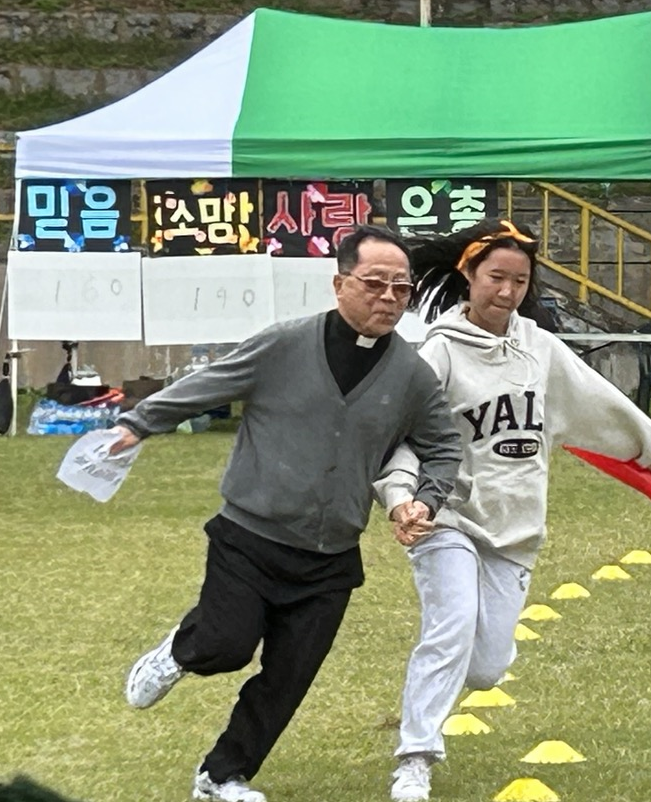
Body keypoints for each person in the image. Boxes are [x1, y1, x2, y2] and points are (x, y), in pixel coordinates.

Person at [109, 225, 463, 802]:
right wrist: (137, 423)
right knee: (225, 645)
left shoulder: (412, 375)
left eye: (401, 288)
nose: (389, 298)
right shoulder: (284, 344)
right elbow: (209, 383)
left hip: (331, 556)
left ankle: (220, 776)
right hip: (250, 535)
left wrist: (427, 496)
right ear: (340, 284)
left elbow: (443, 444)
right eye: (374, 283)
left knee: (288, 679)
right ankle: (179, 650)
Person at [373, 219, 651, 802]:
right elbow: (403, 435)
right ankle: (415, 758)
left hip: (515, 528)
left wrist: (650, 449)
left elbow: (596, 401)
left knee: (486, 669)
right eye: (496, 277)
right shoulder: (438, 352)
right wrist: (401, 496)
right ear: (468, 274)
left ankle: (454, 675)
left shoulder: (540, 349)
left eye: (519, 280)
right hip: (446, 515)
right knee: (450, 627)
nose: (507, 291)